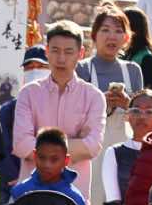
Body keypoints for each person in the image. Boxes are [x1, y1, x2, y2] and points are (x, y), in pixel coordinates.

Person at [12, 20, 101, 191]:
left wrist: (41, 149)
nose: (61, 59)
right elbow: (21, 144)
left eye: (68, 52)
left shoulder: (94, 97)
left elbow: (92, 146)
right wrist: (75, 146)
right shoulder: (28, 93)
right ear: (47, 51)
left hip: (74, 194)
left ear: (81, 53)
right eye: (55, 50)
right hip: (31, 192)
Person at [98, 89, 152, 205]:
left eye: (149, 112)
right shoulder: (114, 153)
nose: (142, 116)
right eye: (136, 110)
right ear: (127, 116)